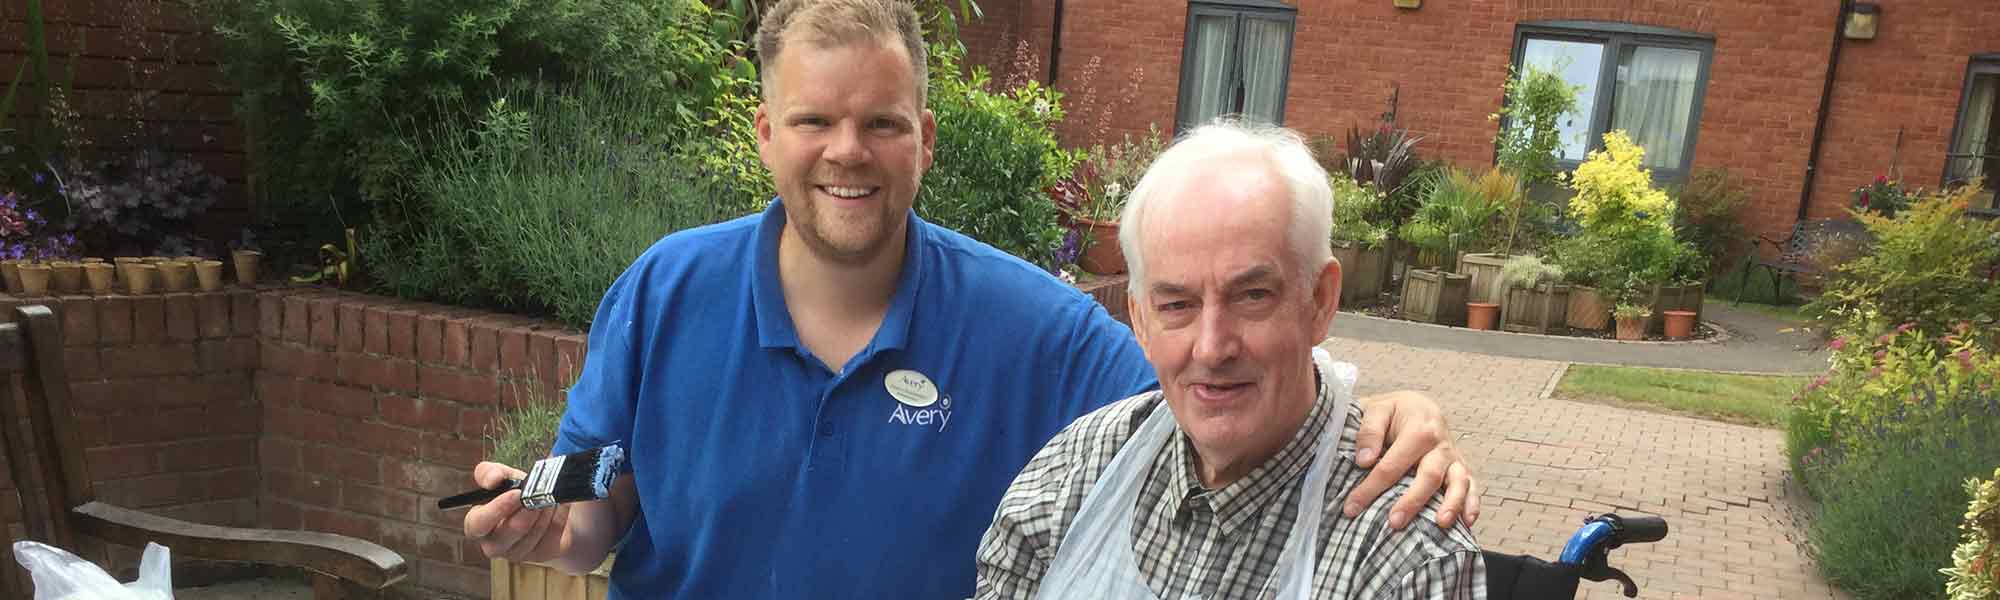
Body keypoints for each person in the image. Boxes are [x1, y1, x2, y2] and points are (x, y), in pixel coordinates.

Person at [460, 1, 1480, 598]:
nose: (847, 152)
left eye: (882, 122)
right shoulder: (662, 290)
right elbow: (598, 481)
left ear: (926, 139)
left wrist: (1377, 408)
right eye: (814, 120)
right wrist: (542, 514)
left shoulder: (1030, 328)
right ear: (766, 135)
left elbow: (1214, 383)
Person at [974, 121, 1485, 599]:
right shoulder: (1074, 473)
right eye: (1176, 304)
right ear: (1140, 320)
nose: (1213, 347)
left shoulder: (1404, 553)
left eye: (1252, 296)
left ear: (1321, 300)